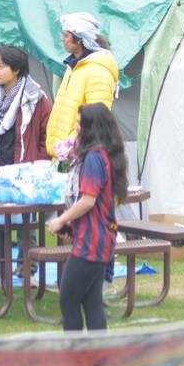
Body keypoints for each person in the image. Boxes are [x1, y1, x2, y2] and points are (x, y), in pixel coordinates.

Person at [46, 104, 128, 332]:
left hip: (91, 244)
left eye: (79, 124)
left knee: (68, 299)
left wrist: (61, 220)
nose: (75, 128)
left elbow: (88, 200)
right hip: (101, 240)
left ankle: (77, 355)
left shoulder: (93, 158)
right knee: (91, 302)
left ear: (91, 129)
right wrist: (72, 227)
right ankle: (96, 358)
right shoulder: (103, 156)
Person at [45, 12, 118, 158]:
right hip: (65, 154)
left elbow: (95, 118)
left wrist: (72, 144)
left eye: (66, 35)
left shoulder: (98, 71)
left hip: (80, 154)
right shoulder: (74, 67)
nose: (62, 39)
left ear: (79, 40)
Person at [0, 46, 53, 166]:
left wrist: (38, 164)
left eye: (1, 66)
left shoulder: (35, 99)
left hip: (23, 173)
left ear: (16, 69)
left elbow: (47, 136)